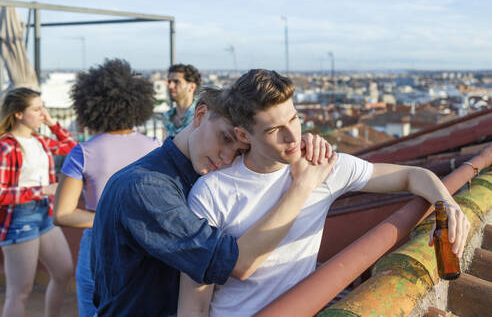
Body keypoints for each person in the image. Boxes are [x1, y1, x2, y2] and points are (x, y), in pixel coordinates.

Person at [179, 69, 471, 317]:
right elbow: (195, 299)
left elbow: (411, 175)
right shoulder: (212, 192)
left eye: (293, 119)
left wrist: (447, 204)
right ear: (244, 136)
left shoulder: (325, 166)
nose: (292, 137)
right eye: (274, 130)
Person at [91, 84, 337, 316]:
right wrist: (303, 185)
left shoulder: (196, 178)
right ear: (200, 115)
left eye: (240, 151)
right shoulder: (147, 187)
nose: (228, 158)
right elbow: (232, 263)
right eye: (226, 138)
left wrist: (299, 147)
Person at [52, 59, 161, 317]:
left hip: (98, 245)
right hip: (146, 244)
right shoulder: (156, 147)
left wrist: (108, 219)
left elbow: (63, 214)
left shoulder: (83, 152)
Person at [0, 87, 77, 317]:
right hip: (19, 218)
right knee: (20, 291)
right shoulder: (6, 146)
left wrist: (53, 124)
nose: (43, 114)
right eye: (37, 109)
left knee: (63, 272)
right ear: (18, 114)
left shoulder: (39, 140)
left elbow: (73, 148)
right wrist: (41, 190)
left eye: (43, 108)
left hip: (45, 213)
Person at [163, 63, 201, 137]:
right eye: (169, 82)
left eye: (176, 82)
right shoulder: (167, 117)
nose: (170, 86)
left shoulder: (201, 116)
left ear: (192, 87)